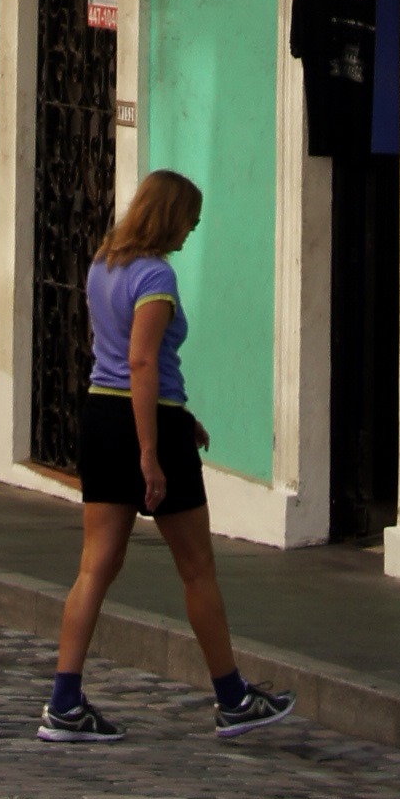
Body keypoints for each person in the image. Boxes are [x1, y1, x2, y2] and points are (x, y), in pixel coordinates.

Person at [39, 169, 294, 743]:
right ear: (172, 216)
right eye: (191, 220)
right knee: (197, 568)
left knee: (94, 567)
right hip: (141, 425)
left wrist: (181, 415)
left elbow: (112, 357)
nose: (192, 230)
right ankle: (232, 698)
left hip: (102, 416)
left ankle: (63, 700)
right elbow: (142, 363)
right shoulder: (156, 276)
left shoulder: (103, 264)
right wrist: (152, 451)